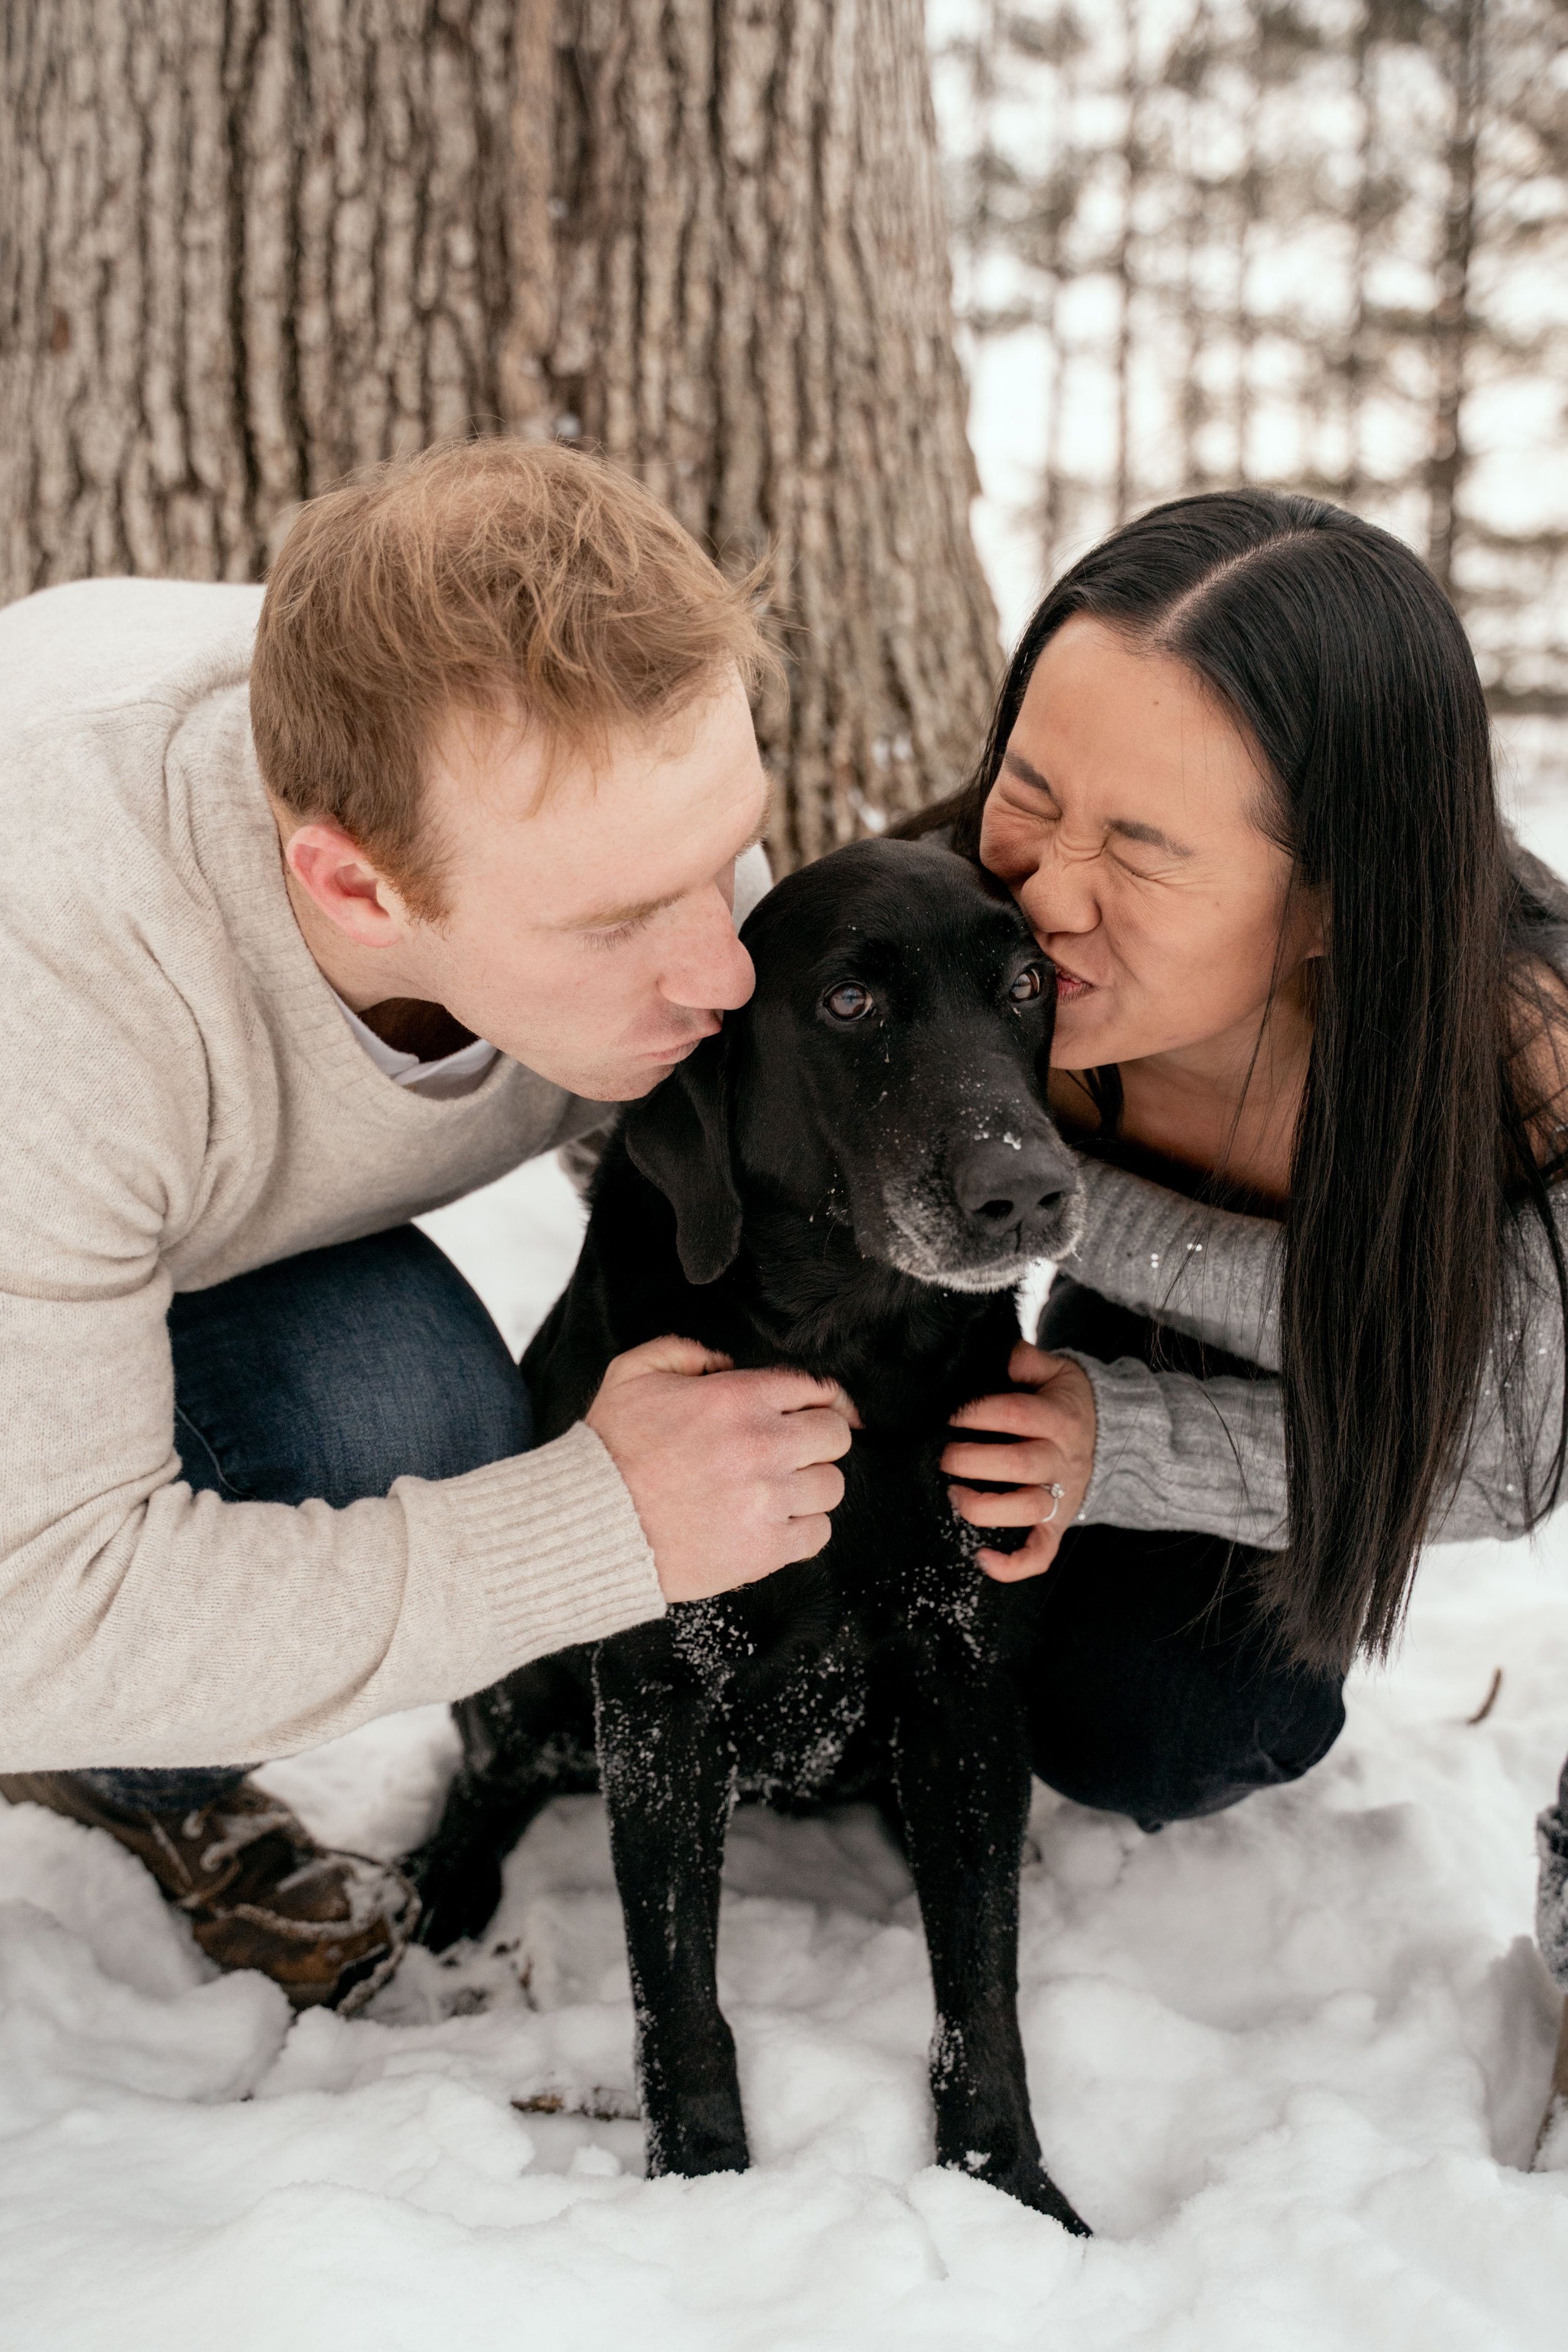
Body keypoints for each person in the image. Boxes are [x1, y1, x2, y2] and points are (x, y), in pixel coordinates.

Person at [0, 439, 856, 2013]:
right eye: (613, 924)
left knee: (419, 1408)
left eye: (725, 847)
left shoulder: (603, 825)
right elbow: (24, 1615)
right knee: (408, 1441)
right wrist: (598, 1530)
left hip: (169, 1226)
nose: (725, 973)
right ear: (353, 886)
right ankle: (125, 1780)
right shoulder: (56, 973)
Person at [905, 487, 1568, 2148]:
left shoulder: (1516, 1048)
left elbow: (1494, 1463)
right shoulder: (947, 923)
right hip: (1298, 1339)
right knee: (1105, 1716)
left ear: (1332, 896)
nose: (1045, 895)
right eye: (1030, 796)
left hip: (1436, 1369)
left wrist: (1115, 1432)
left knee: (1191, 1732)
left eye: (1139, 847)